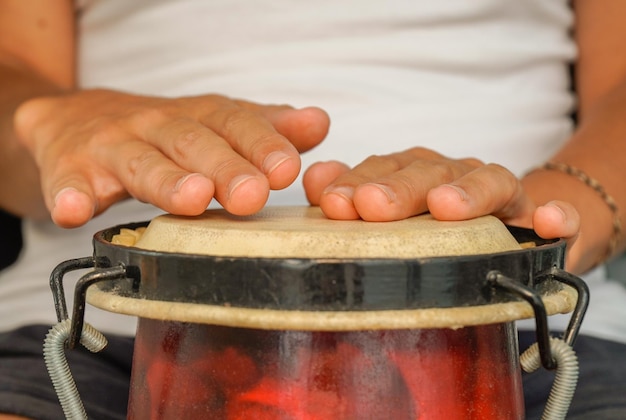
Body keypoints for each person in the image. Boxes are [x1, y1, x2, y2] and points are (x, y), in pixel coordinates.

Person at [1, 0, 625, 418]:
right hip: (110, 329)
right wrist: (47, 124)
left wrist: (546, 218)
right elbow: (15, 73)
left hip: (527, 330)